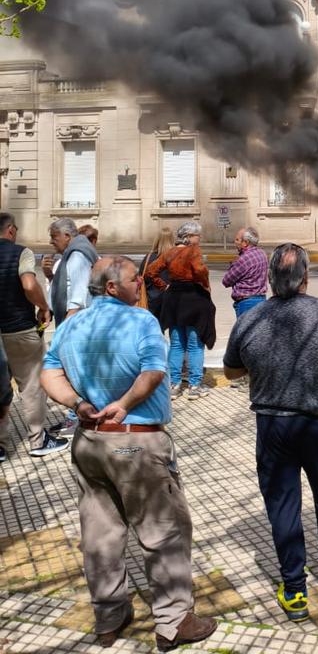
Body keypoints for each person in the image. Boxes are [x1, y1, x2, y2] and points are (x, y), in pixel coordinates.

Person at [40, 256, 216, 651]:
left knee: (100, 533)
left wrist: (77, 404)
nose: (142, 283)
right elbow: (153, 372)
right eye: (135, 279)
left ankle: (109, 617)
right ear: (112, 288)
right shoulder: (140, 321)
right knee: (164, 532)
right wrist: (123, 402)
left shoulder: (71, 324)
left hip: (89, 443)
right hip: (136, 442)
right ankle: (173, 623)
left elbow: (49, 371)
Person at [223, 243, 318, 623]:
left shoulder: (250, 320)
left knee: (283, 507)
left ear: (270, 278)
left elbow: (232, 370)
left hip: (273, 426)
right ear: (306, 278)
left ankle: (295, 588)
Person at [0, 212, 68, 459]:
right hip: (19, 329)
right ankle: (38, 441)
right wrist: (44, 307)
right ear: (10, 230)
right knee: (30, 386)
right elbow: (29, 284)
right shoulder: (21, 253)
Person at [146, 222, 215, 401]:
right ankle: (194, 386)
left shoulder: (169, 252)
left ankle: (174, 385)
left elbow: (151, 272)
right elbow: (200, 270)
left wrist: (165, 286)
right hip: (193, 298)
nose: (199, 239)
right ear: (190, 236)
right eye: (197, 236)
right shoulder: (193, 251)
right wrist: (204, 284)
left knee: (176, 344)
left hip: (174, 300)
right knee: (194, 344)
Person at [48, 217, 99, 326]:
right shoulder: (71, 254)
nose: (51, 241)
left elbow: (79, 298)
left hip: (76, 321)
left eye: (54, 237)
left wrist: (66, 328)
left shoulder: (77, 256)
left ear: (66, 236)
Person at [222, 227, 268, 317]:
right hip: (261, 301)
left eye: (237, 240)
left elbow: (226, 281)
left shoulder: (244, 259)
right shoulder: (262, 253)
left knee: (245, 331)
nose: (235, 242)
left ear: (245, 243)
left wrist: (234, 263)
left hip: (246, 304)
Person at [140, 227, 174, 317]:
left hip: (151, 300)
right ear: (172, 239)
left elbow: (141, 276)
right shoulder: (175, 258)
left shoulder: (148, 257)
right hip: (171, 299)